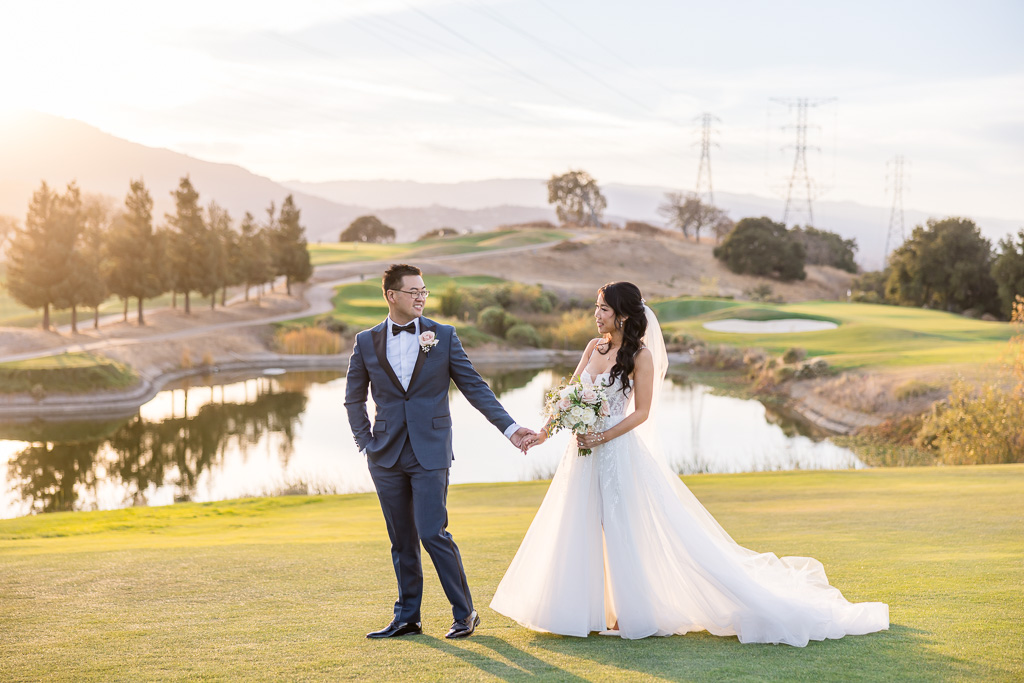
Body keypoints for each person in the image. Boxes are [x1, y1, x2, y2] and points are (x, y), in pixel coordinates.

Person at [491, 282, 889, 645]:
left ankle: (625, 613)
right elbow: (570, 395)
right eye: (596, 308)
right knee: (579, 524)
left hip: (614, 451)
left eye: (604, 309)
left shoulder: (640, 357)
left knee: (619, 527)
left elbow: (642, 412)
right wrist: (543, 432)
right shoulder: (592, 349)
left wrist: (604, 435)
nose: (597, 315)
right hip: (581, 454)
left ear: (624, 315)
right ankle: (582, 610)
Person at [345, 264, 535, 640]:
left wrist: (511, 430)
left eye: (424, 291)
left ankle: (465, 613)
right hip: (384, 454)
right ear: (391, 296)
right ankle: (407, 618)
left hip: (429, 451)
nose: (420, 296)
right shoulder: (366, 341)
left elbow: (475, 388)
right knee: (401, 539)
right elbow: (353, 399)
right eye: (412, 290)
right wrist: (365, 443)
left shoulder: (443, 336)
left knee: (433, 532)